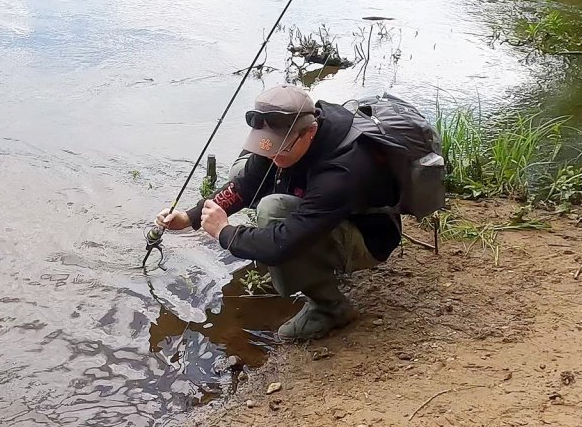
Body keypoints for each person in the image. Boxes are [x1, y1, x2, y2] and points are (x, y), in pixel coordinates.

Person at [156, 84, 401, 342]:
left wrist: (225, 232)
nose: (272, 154)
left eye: (280, 147)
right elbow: (245, 185)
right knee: (242, 174)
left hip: (368, 240)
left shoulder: (340, 172)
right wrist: (190, 217)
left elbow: (281, 244)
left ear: (310, 132)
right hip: (326, 216)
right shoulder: (287, 139)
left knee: (272, 211)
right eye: (267, 146)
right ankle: (306, 268)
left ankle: (330, 308)